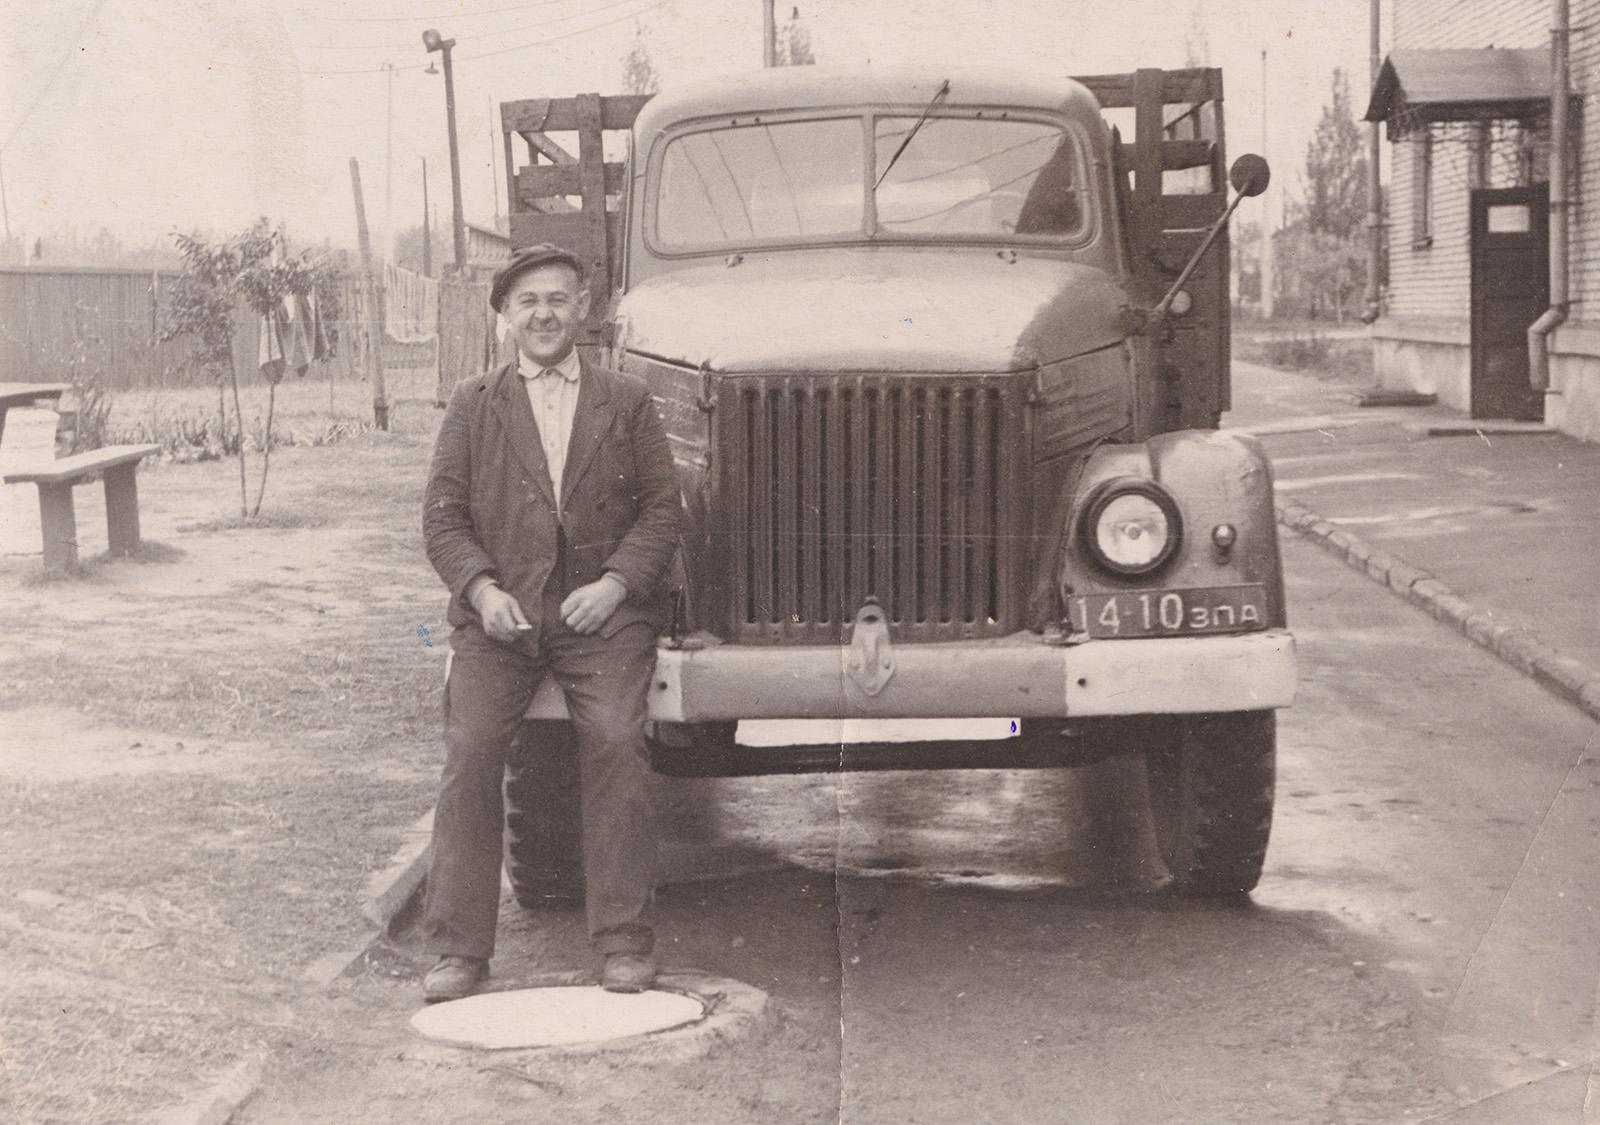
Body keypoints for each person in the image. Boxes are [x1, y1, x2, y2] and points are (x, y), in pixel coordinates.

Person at [419, 244, 684, 1002]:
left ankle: (624, 941)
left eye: (558, 299)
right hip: (502, 619)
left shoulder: (626, 400)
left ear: (584, 310)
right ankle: (459, 950)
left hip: (600, 619)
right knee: (471, 748)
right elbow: (442, 518)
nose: (544, 314)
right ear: (506, 315)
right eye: (528, 301)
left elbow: (663, 512)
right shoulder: (474, 403)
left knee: (615, 741)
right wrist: (481, 590)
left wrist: (615, 585)